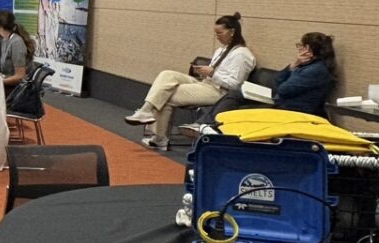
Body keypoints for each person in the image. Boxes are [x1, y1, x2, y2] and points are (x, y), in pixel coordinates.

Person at [124, 12, 255, 151]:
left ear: (232, 32)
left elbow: (236, 85)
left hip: (219, 92)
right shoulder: (222, 50)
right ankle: (146, 112)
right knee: (167, 75)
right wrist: (206, 72)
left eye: (220, 33)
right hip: (206, 83)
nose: (217, 37)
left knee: (165, 95)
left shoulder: (242, 55)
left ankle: (159, 138)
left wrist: (213, 73)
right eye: (215, 33)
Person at [196, 32, 337, 125]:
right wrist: (293, 66)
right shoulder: (305, 66)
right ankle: (206, 124)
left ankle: (207, 125)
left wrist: (293, 71)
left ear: (309, 49)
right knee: (235, 94)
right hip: (281, 103)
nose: (298, 49)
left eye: (301, 46)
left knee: (237, 107)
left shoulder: (315, 70)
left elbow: (283, 89)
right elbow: (277, 82)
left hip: (290, 110)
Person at [0, 10, 37, 89]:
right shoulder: (5, 40)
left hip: (17, 88)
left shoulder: (16, 42)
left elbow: (20, 76)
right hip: (8, 83)